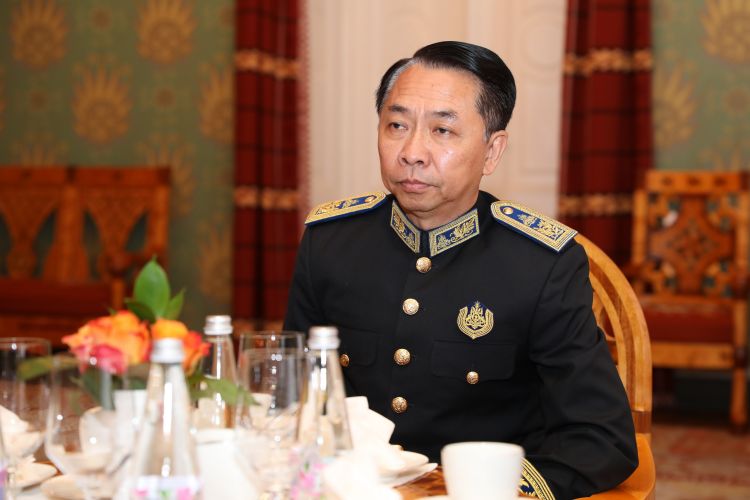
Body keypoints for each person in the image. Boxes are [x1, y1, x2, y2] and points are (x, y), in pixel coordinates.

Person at [284, 41, 638, 499]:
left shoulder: (541, 265)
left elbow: (601, 439)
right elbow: (292, 401)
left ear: (492, 151)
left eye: (443, 131)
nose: (412, 152)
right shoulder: (330, 242)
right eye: (397, 125)